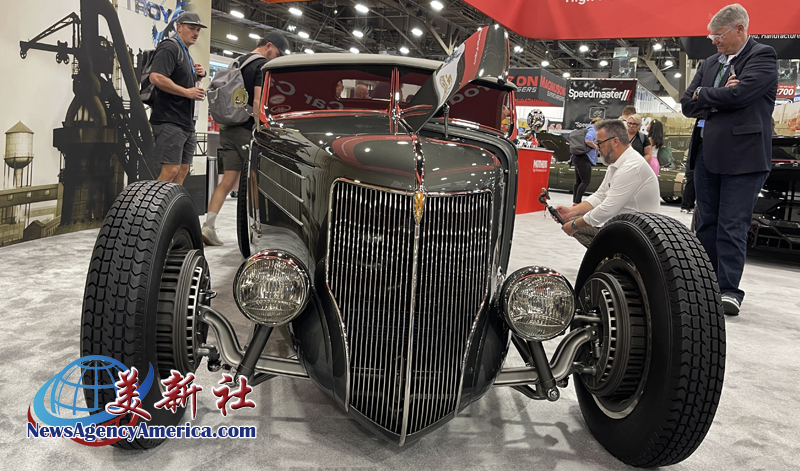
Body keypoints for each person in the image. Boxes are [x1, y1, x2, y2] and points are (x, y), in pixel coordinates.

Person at [680, 3, 777, 315]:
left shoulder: (762, 56)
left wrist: (705, 94)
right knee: (705, 223)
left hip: (744, 157)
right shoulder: (711, 62)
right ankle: (704, 286)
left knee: (732, 225)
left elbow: (741, 95)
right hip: (706, 154)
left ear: (740, 29)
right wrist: (718, 92)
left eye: (719, 35)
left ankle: (728, 290)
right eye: (711, 36)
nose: (714, 41)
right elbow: (686, 104)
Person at [202, 32, 289, 246]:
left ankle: (208, 226)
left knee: (228, 180)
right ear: (269, 46)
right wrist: (262, 129)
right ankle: (259, 231)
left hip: (228, 128)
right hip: (246, 130)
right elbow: (258, 101)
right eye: (278, 53)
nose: (277, 58)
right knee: (255, 182)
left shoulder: (238, 62)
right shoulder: (259, 66)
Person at [555, 119, 660, 248]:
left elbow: (607, 209)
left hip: (638, 233)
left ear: (615, 141)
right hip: (625, 225)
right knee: (573, 221)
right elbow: (600, 195)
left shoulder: (631, 167)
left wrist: (574, 225)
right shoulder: (617, 163)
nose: (597, 148)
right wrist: (571, 211)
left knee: (576, 225)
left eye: (599, 143)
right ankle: (606, 255)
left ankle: (611, 255)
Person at [149, 12, 208, 185]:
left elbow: (183, 82)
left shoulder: (185, 53)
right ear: (179, 27)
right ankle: (155, 204)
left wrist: (198, 77)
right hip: (170, 120)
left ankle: (172, 203)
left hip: (186, 123)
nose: (196, 33)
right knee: (170, 170)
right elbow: (156, 77)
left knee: (182, 171)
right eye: (192, 28)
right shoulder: (170, 47)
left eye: (198, 30)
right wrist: (187, 92)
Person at [572, 117, 601, 205]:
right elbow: (588, 140)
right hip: (585, 157)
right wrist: (595, 146)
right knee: (585, 181)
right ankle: (577, 202)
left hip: (577, 156)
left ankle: (575, 202)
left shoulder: (585, 129)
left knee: (578, 181)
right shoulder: (593, 130)